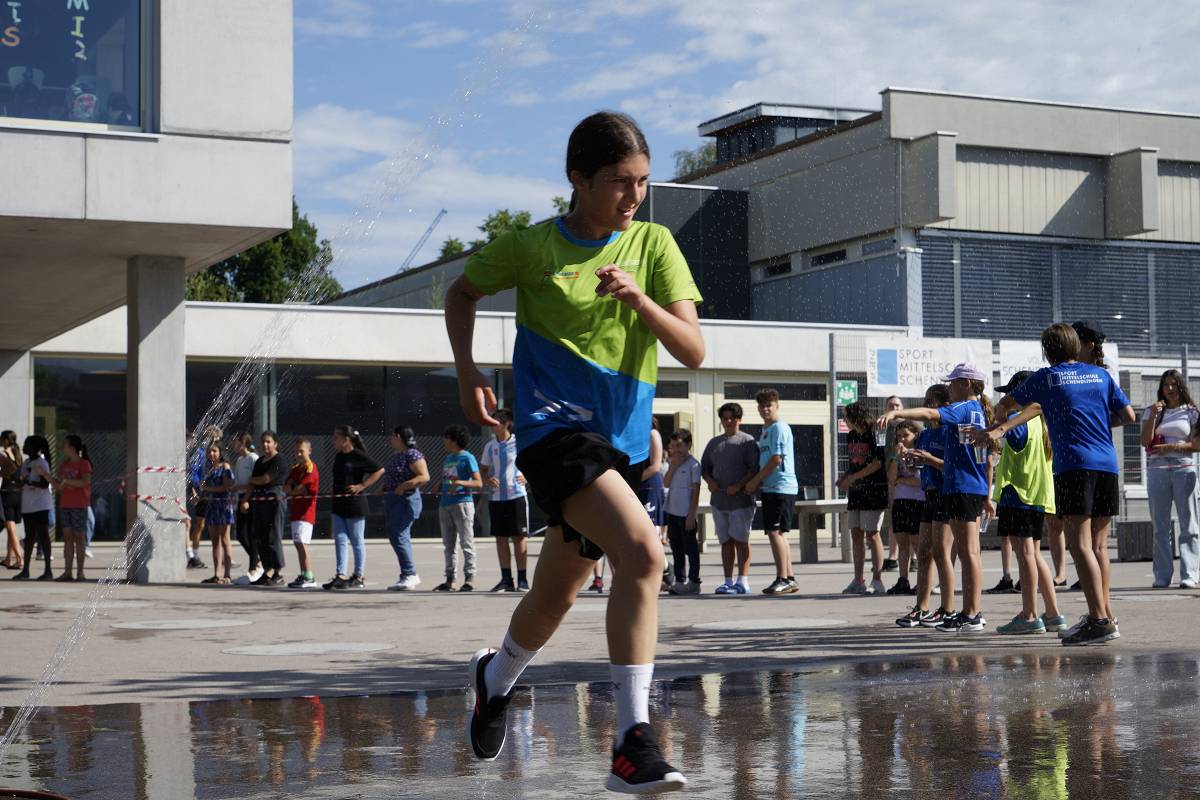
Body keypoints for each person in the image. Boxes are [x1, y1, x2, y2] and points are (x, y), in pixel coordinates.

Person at [446, 111, 700, 792]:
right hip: (552, 433)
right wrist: (468, 372)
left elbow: (693, 349)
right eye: (620, 181)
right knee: (643, 553)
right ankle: (631, 741)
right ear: (577, 179)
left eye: (642, 181)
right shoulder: (532, 246)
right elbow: (461, 291)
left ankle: (494, 677)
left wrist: (640, 300)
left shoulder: (654, 244)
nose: (634, 195)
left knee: (556, 592)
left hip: (621, 447)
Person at [986, 323, 1136, 646]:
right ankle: (1107, 616)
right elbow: (1128, 416)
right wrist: (1096, 421)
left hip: (1074, 466)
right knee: (1098, 547)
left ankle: (1098, 620)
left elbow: (1006, 404)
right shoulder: (1100, 375)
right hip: (1107, 465)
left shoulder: (1047, 377)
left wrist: (999, 423)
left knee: (1079, 545)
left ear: (1046, 351)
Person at [882, 363, 992, 633]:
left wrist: (897, 412)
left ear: (966, 384)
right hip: (960, 486)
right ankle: (967, 611)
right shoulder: (972, 411)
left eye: (953, 383)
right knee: (963, 551)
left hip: (964, 486)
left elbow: (931, 413)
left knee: (966, 552)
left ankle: (970, 612)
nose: (950, 388)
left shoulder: (965, 407)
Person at [990, 371, 1067, 635]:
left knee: (1024, 554)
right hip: (1037, 494)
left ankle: (1030, 614)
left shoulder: (1017, 420)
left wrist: (1000, 420)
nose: (1005, 400)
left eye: (1009, 395)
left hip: (1018, 492)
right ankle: (1053, 613)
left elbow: (1015, 439)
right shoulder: (1042, 422)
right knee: (1034, 554)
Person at [895, 384, 953, 628]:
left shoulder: (949, 431)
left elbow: (952, 466)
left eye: (932, 401)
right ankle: (922, 607)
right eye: (926, 401)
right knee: (924, 552)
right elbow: (920, 466)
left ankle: (948, 609)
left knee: (941, 552)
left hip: (945, 493)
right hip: (928, 494)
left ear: (944, 405)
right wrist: (909, 458)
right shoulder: (926, 434)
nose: (928, 406)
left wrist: (929, 459)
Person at [1140, 369, 1199, 589]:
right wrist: (1153, 417)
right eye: (1166, 385)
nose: (1170, 389)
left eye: (1174, 384)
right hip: (1157, 470)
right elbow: (1145, 441)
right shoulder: (1152, 411)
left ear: (1181, 386)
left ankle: (1190, 574)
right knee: (1160, 525)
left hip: (1184, 468)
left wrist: (1171, 447)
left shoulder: (1191, 412)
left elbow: (1197, 445)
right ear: (1161, 388)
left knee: (1188, 523)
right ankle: (1162, 575)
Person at [701, 402, 759, 594]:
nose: (728, 421)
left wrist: (739, 485)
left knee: (741, 540)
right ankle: (727, 581)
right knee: (726, 542)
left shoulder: (748, 441)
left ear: (739, 420)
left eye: (732, 418)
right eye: (724, 418)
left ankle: (743, 581)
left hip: (742, 502)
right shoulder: (714, 443)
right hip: (719, 502)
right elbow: (705, 469)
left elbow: (754, 470)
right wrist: (710, 481)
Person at [745, 388, 799, 595]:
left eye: (769, 405)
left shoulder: (779, 428)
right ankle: (789, 578)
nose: (765, 409)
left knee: (775, 532)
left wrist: (755, 481)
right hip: (771, 487)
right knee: (778, 533)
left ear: (777, 406)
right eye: (762, 405)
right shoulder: (766, 430)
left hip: (781, 486)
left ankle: (782, 578)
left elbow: (777, 459)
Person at [324, 425, 384, 591]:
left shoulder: (357, 455)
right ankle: (341, 575)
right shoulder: (338, 456)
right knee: (340, 539)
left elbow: (379, 470)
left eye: (336, 437)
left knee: (357, 540)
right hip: (339, 504)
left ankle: (359, 576)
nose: (333, 440)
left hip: (355, 504)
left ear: (346, 439)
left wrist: (362, 485)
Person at [839, 402, 888, 595]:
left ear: (856, 416)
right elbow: (855, 463)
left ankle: (877, 580)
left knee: (872, 534)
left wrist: (854, 478)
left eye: (846, 416)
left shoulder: (875, 433)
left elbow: (877, 463)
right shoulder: (851, 435)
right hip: (856, 492)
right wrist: (845, 477)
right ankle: (858, 579)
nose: (844, 420)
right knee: (856, 533)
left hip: (874, 490)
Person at [481, 410, 530, 593]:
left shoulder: (520, 442)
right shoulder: (490, 446)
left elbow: (533, 462)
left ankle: (523, 580)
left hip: (516, 496)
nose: (492, 425)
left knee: (519, 538)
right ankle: (506, 579)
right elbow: (484, 469)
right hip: (496, 498)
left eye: (496, 422)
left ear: (507, 423)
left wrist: (527, 476)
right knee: (501, 539)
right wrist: (488, 478)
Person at [435, 424, 483, 592]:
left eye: (446, 438)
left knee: (466, 542)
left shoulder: (467, 458)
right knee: (448, 544)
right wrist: (440, 484)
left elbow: (478, 483)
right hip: (445, 504)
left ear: (454, 440)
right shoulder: (448, 458)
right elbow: (449, 479)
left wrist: (461, 483)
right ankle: (450, 580)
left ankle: (470, 578)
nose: (444, 441)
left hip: (462, 504)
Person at [382, 426, 428, 592]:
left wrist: (404, 486)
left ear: (398, 437)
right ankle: (406, 575)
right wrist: (385, 487)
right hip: (394, 500)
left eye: (392, 437)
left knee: (399, 535)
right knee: (397, 535)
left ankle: (410, 573)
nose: (390, 440)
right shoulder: (397, 455)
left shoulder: (412, 454)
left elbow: (424, 476)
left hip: (406, 500)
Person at [245, 431, 288, 587]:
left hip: (274, 500)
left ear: (275, 443)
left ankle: (278, 573)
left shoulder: (279, 460)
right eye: (263, 441)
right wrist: (245, 499)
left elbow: (266, 479)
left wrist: (252, 479)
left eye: (268, 441)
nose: (265, 444)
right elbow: (253, 483)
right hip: (259, 500)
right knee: (260, 536)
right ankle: (267, 571)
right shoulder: (260, 461)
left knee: (273, 536)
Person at [885, 421, 923, 596]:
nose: (902, 439)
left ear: (915, 435)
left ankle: (922, 580)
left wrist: (902, 480)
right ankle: (903, 579)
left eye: (906, 435)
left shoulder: (919, 453)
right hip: (900, 501)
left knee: (917, 543)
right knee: (902, 544)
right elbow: (891, 478)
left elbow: (919, 481)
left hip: (917, 501)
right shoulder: (898, 453)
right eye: (899, 436)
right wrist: (896, 458)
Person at [664, 429, 702, 595]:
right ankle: (680, 580)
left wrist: (691, 515)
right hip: (672, 511)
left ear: (688, 445)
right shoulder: (673, 462)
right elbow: (666, 483)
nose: (676, 449)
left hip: (686, 514)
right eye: (673, 446)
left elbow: (695, 491)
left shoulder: (694, 465)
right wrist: (673, 466)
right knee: (676, 548)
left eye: (679, 445)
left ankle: (694, 581)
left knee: (691, 548)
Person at [52, 435, 92, 582]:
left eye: (65, 445)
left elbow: (85, 482)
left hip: (79, 505)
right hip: (65, 505)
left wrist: (68, 481)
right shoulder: (64, 464)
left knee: (79, 538)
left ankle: (80, 573)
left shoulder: (84, 463)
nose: (62, 447)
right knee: (68, 538)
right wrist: (46, 476)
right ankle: (67, 572)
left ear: (72, 448)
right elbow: (59, 487)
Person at [13, 435, 53, 581]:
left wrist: (29, 482)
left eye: (27, 445)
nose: (24, 447)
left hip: (41, 505)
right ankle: (26, 570)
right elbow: (21, 480)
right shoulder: (26, 462)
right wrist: (18, 482)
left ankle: (48, 570)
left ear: (35, 448)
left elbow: (44, 484)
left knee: (43, 536)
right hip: (28, 505)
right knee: (29, 537)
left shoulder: (42, 463)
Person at [285, 439, 320, 589]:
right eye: (296, 451)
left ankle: (309, 576)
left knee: (302, 544)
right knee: (298, 543)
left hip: (306, 513)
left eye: (302, 451)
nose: (298, 454)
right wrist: (293, 489)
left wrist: (294, 490)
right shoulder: (296, 468)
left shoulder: (311, 467)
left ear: (309, 451)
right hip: (296, 512)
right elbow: (286, 487)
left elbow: (302, 488)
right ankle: (303, 573)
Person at [185, 425, 222, 570]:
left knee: (215, 525)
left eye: (215, 439)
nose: (213, 441)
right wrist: (194, 491)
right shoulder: (199, 453)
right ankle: (193, 556)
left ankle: (221, 556)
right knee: (197, 524)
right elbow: (192, 473)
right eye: (210, 438)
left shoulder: (219, 455)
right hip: (201, 493)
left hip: (214, 493)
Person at [199, 441, 236, 585]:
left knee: (225, 540)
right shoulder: (209, 469)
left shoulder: (225, 467)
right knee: (214, 541)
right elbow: (205, 488)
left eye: (214, 451)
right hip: (211, 506)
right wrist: (200, 495)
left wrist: (207, 489)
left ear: (220, 452)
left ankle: (227, 575)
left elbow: (226, 487)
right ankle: (217, 574)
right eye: (209, 451)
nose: (211, 454)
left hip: (223, 506)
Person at [230, 433, 260, 583]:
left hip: (251, 498)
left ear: (243, 442)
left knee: (251, 533)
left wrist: (246, 497)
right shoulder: (239, 460)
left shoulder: (253, 458)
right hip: (241, 498)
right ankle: (257, 559)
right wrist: (235, 493)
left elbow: (253, 482)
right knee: (241, 535)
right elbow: (237, 482)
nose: (234, 445)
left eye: (236, 442)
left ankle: (253, 568)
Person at [881, 395, 904, 572]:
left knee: (911, 520)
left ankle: (914, 557)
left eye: (897, 405)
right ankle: (892, 556)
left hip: (909, 478)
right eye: (891, 405)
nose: (894, 408)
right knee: (893, 519)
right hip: (890, 479)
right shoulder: (883, 428)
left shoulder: (910, 426)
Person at [1, 431, 23, 572]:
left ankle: (19, 559)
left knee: (10, 527)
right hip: (18, 493)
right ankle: (9, 558)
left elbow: (7, 471)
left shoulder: (4, 454)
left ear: (6, 440)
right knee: (12, 526)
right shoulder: (17, 453)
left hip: (7, 492)